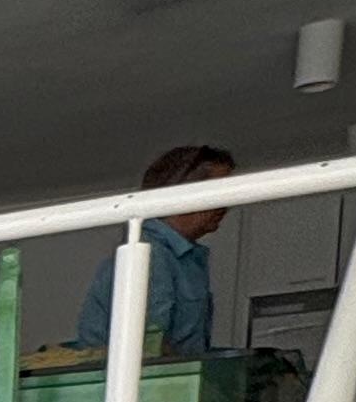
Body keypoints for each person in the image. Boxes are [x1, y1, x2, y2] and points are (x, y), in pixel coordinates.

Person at [75, 143, 236, 356]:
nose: (226, 205)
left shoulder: (186, 259)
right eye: (218, 193)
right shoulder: (148, 254)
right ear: (181, 194)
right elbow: (150, 348)